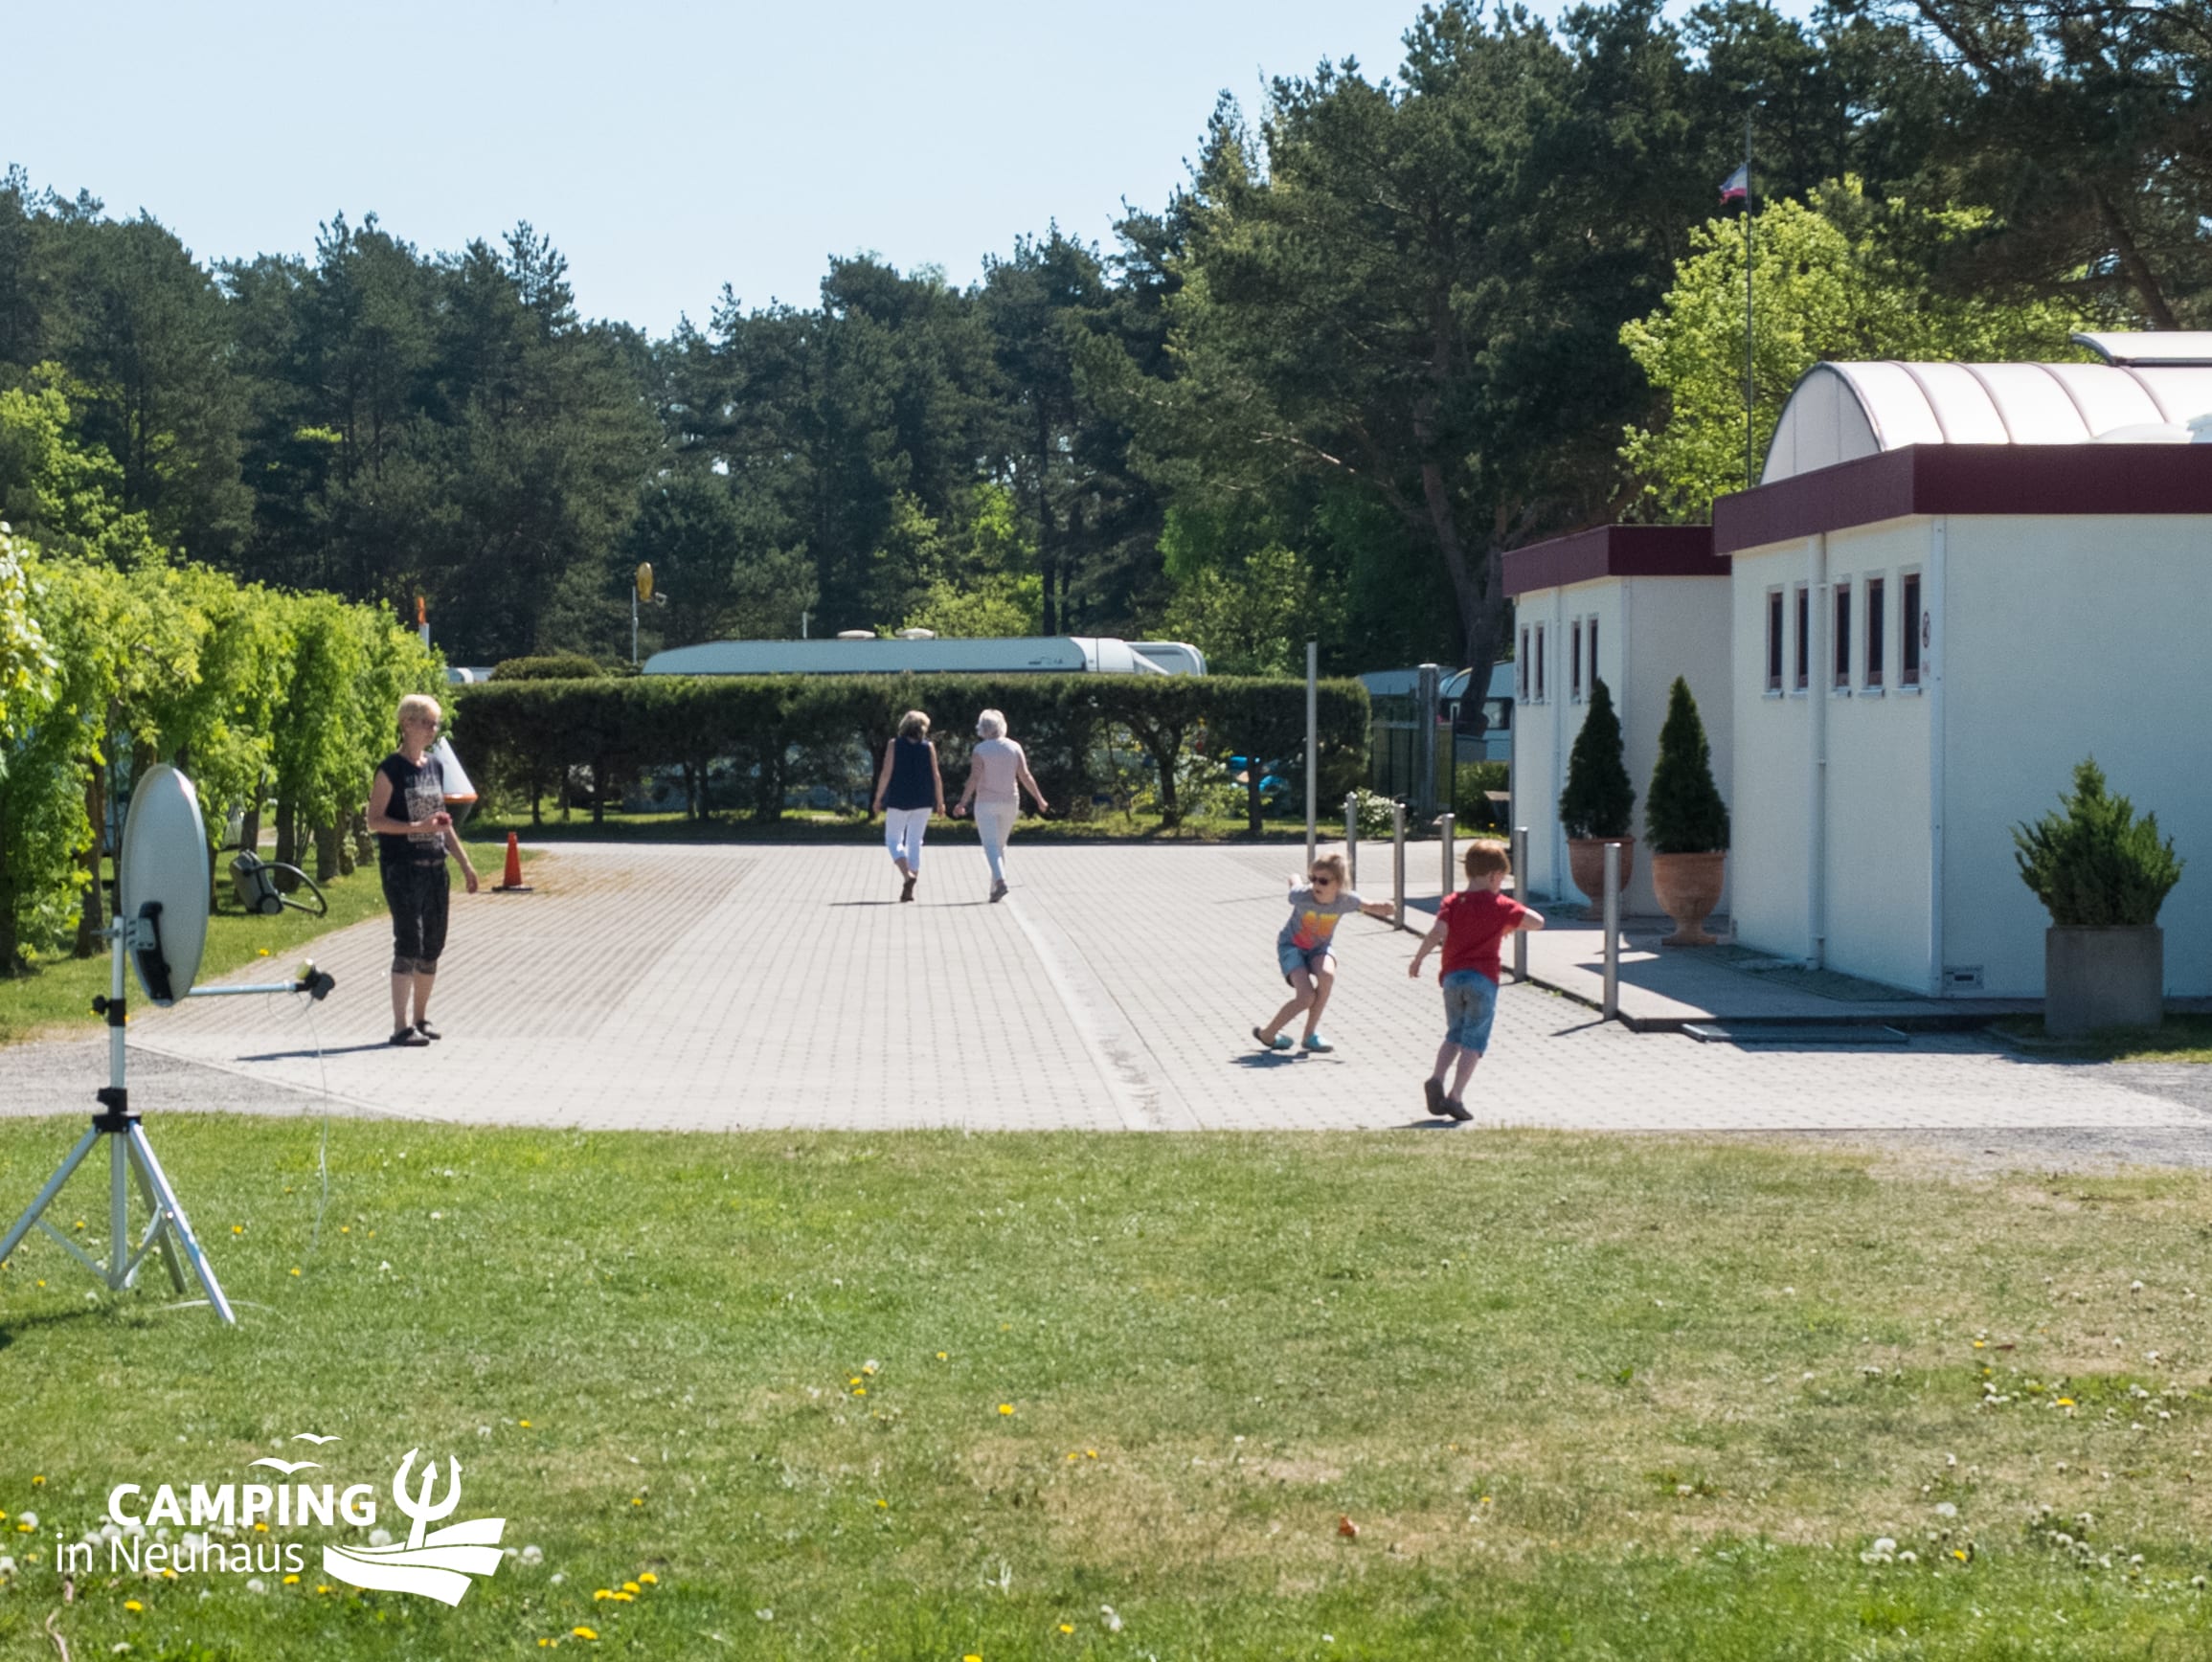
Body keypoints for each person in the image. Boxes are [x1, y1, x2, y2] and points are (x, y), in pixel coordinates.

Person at [365, 693, 480, 1046]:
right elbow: (374, 820)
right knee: (408, 943)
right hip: (402, 868)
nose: (433, 730)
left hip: (434, 868)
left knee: (432, 944)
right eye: (427, 723)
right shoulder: (390, 769)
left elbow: (442, 823)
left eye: (435, 724)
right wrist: (417, 827)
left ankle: (420, 1018)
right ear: (407, 723)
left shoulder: (435, 767)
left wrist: (465, 864)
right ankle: (400, 1026)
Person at [1407, 840, 1545, 1121]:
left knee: (1454, 1033)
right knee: (1474, 1040)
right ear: (1494, 876)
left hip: (1452, 978)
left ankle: (1436, 1077)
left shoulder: (1452, 902)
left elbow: (1437, 932)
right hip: (1483, 980)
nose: (1501, 885)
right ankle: (1456, 1096)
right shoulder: (1501, 905)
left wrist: (1418, 958)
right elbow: (1537, 921)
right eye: (1502, 879)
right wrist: (1509, 923)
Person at [1252, 851, 1392, 1054]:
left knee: (1327, 976)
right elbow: (1293, 882)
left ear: (1339, 884)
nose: (1316, 885)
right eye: (1313, 878)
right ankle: (1268, 1033)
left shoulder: (1345, 900)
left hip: (1319, 948)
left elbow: (1369, 905)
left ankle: (1309, 1035)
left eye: (1324, 881)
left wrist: (1386, 907)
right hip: (1292, 947)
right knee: (1306, 997)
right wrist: (1296, 879)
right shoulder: (1302, 895)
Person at [951, 708, 1048, 902]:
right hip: (1010, 801)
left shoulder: (980, 750)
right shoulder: (1014, 747)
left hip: (986, 803)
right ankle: (994, 889)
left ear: (982, 728)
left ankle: (1001, 881)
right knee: (1000, 846)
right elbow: (1025, 775)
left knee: (991, 846)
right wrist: (1039, 798)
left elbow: (974, 778)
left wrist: (963, 802)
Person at [871, 708, 946, 902]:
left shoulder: (894, 744)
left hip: (899, 798)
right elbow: (936, 775)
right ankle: (910, 888)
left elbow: (886, 773)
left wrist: (878, 798)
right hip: (923, 799)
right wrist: (940, 801)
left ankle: (907, 875)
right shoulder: (928, 747)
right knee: (915, 842)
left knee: (893, 839)